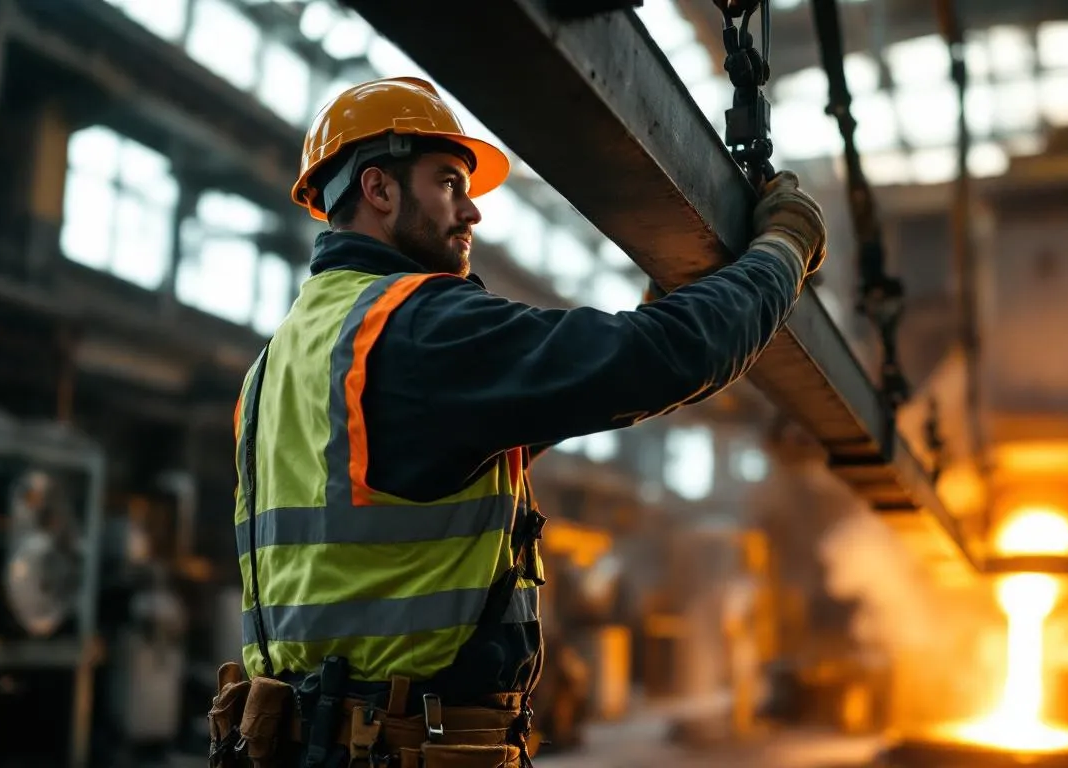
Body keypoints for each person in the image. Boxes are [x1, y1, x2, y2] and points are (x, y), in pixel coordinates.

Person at [208, 76, 827, 768]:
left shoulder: (277, 365)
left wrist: (666, 297)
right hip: (403, 751)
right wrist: (783, 252)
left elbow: (538, 404)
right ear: (379, 190)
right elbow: (660, 359)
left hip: (300, 748)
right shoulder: (419, 328)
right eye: (449, 182)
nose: (472, 211)